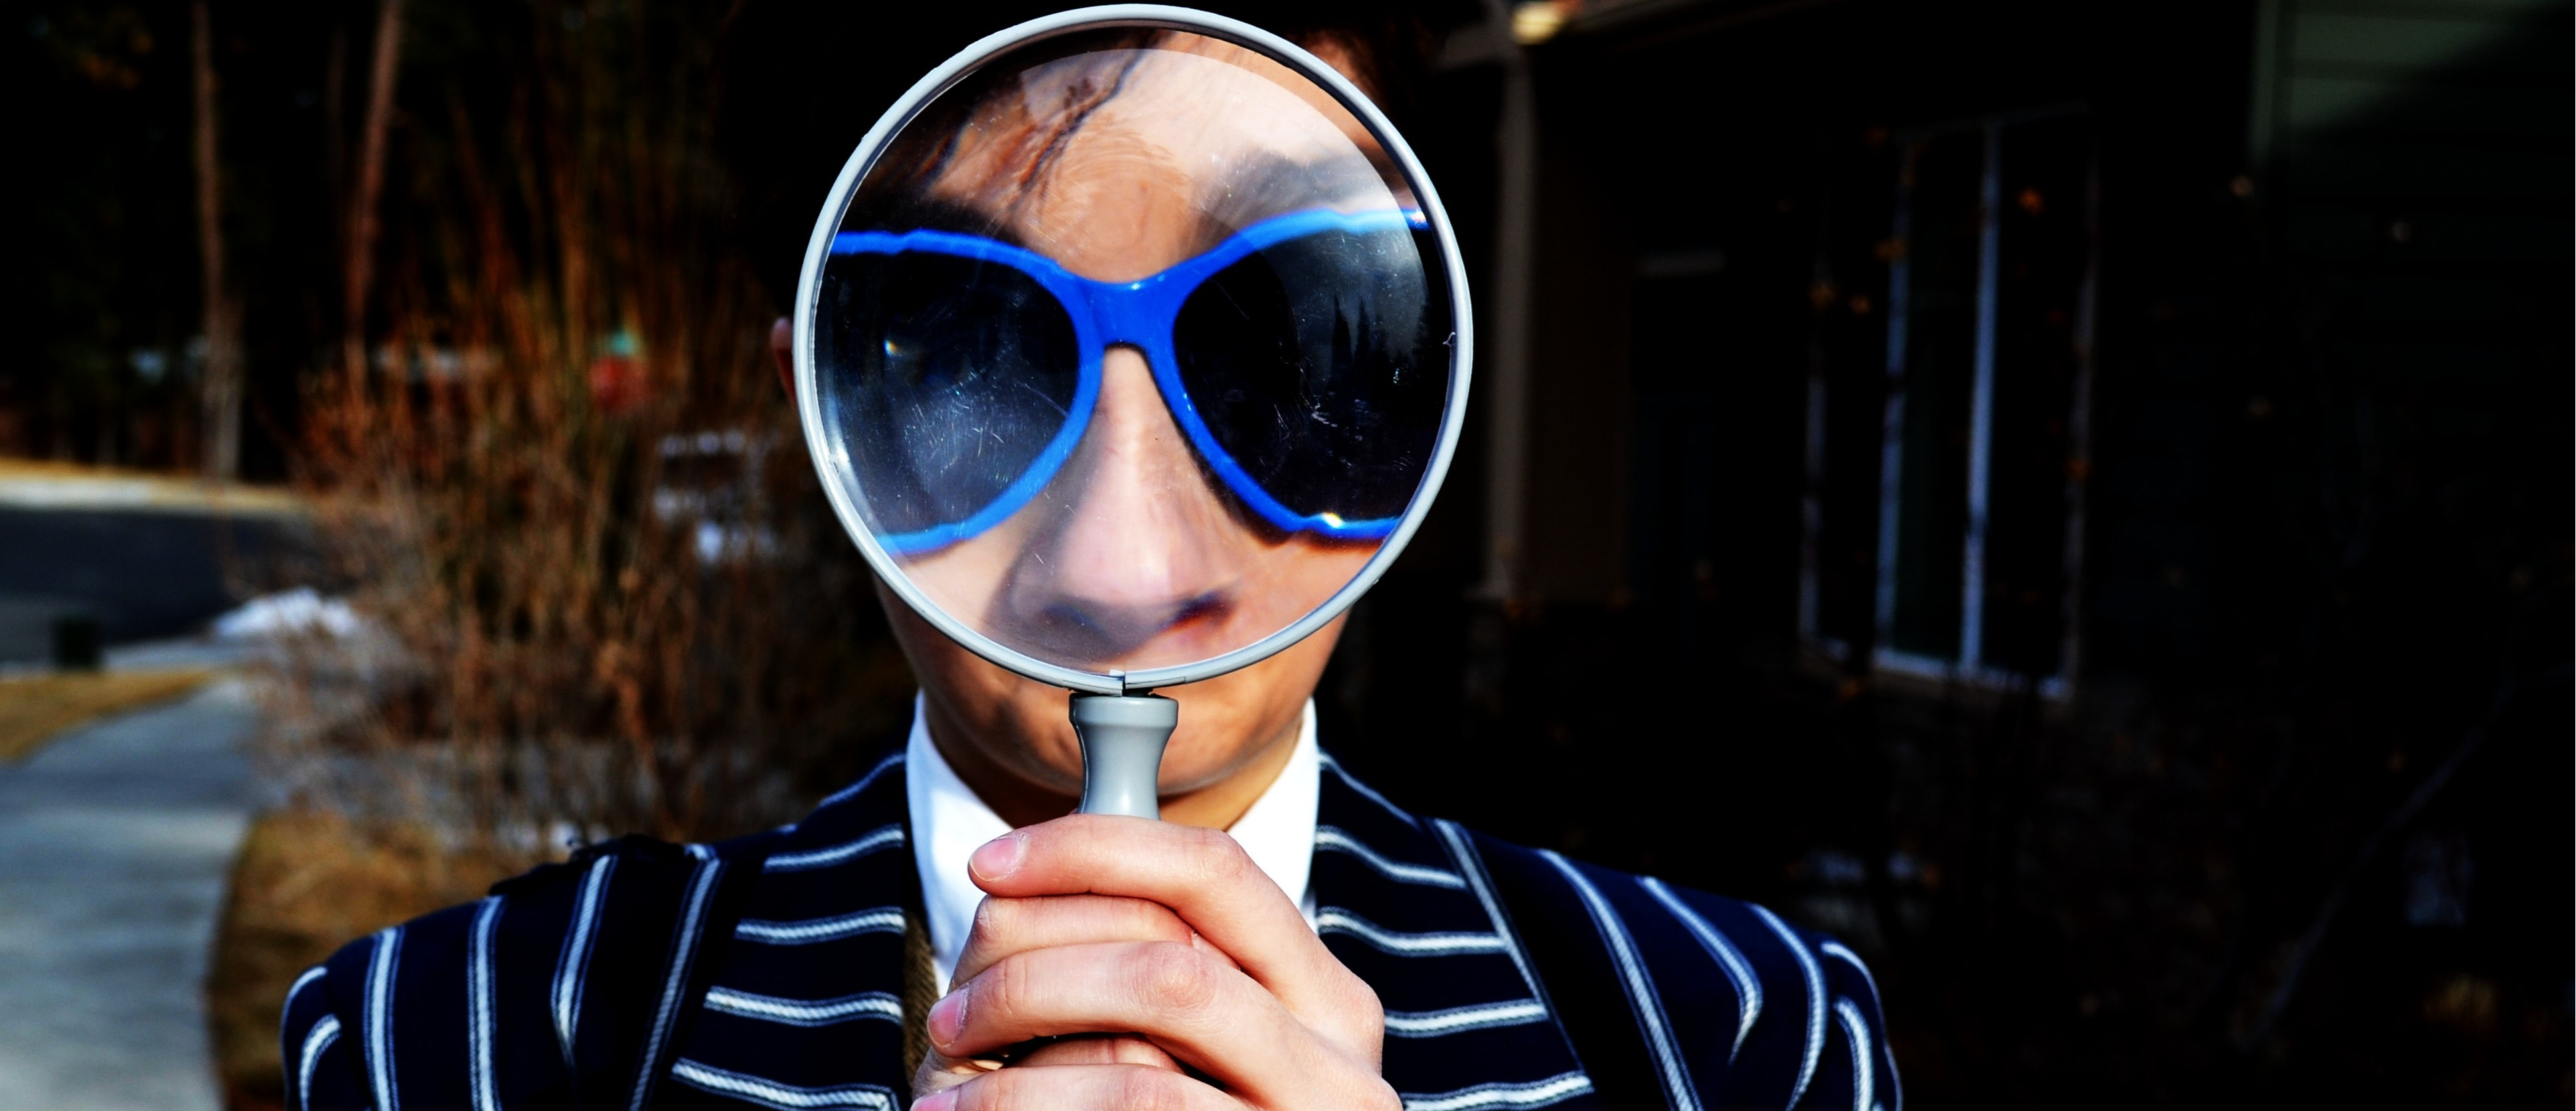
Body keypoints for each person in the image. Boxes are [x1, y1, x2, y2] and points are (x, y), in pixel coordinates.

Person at [283, 7, 1897, 1111]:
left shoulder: (1737, 1045)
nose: (1120, 574)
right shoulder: (457, 1044)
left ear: (1422, 375)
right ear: (815, 409)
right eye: (969, 355)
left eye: (1275, 340)